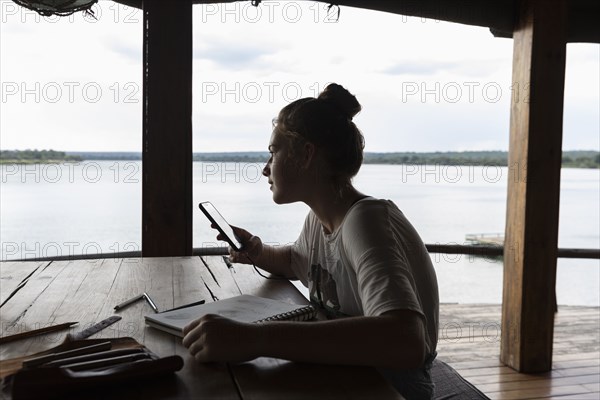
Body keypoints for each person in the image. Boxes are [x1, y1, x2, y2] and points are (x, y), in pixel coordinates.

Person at [182, 83, 440, 399]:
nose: (265, 169)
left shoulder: (367, 220)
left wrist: (256, 339)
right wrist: (258, 252)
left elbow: (405, 341)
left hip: (390, 387)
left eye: (273, 151)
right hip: (346, 375)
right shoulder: (320, 221)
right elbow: (297, 262)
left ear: (306, 154)